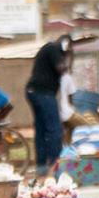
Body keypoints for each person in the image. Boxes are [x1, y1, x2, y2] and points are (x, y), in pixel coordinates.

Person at [27, 36, 69, 177]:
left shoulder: (49, 49)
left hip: (33, 91)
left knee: (41, 130)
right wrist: (67, 62)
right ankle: (56, 165)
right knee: (54, 129)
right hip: (43, 93)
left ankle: (41, 166)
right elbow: (61, 68)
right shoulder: (54, 48)